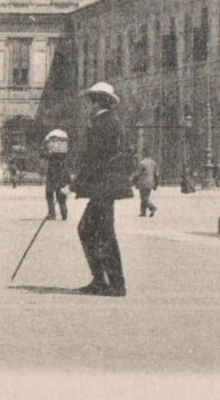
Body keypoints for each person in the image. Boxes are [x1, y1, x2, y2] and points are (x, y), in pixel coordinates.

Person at [71, 82, 131, 296]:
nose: (88, 105)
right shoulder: (106, 121)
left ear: (98, 101)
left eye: (91, 100)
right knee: (90, 230)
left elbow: (95, 158)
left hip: (103, 186)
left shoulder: (103, 124)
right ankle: (102, 280)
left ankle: (114, 283)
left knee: (101, 233)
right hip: (103, 186)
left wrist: (77, 182)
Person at [43, 128, 70, 220]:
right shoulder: (63, 155)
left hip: (53, 175)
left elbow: (45, 155)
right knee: (60, 194)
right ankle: (64, 212)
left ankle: (52, 213)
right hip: (61, 175)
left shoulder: (52, 156)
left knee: (49, 193)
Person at [134, 150, 159, 217]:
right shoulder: (153, 162)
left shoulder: (142, 163)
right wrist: (156, 183)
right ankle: (143, 212)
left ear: (143, 154)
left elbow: (138, 173)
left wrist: (135, 180)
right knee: (146, 196)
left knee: (143, 197)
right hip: (151, 181)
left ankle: (152, 207)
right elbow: (156, 174)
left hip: (143, 181)